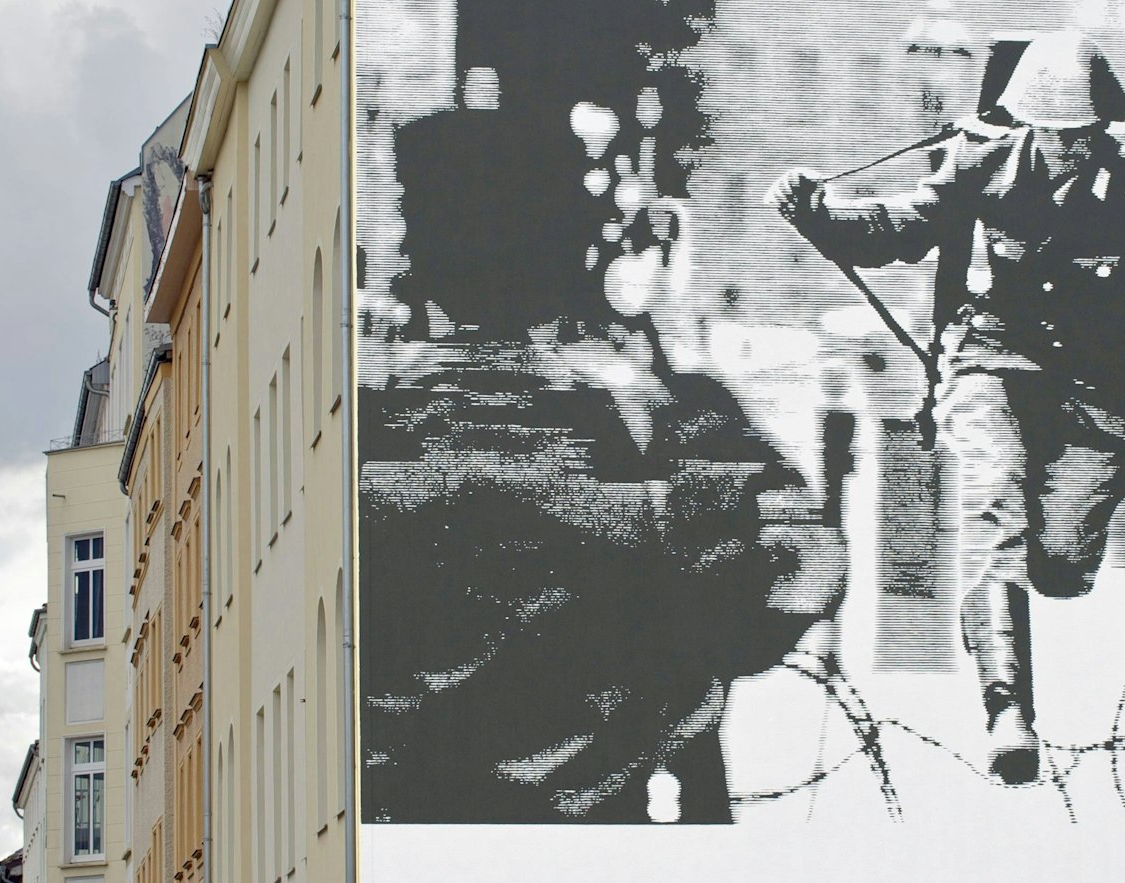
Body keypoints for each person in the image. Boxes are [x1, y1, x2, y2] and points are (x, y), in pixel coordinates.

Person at [766, 30, 1125, 784]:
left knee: (1061, 567)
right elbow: (903, 228)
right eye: (1053, 134)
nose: (1067, 150)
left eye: (1082, 136)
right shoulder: (983, 163)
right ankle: (1009, 714)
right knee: (993, 507)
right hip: (994, 363)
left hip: (1095, 394)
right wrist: (818, 213)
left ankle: (1047, 577)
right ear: (1028, 125)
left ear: (1102, 129)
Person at [360, 91, 847, 823]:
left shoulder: (351, 429)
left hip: (391, 844)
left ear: (416, 253)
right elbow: (797, 571)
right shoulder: (672, 421)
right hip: (608, 834)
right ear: (573, 247)